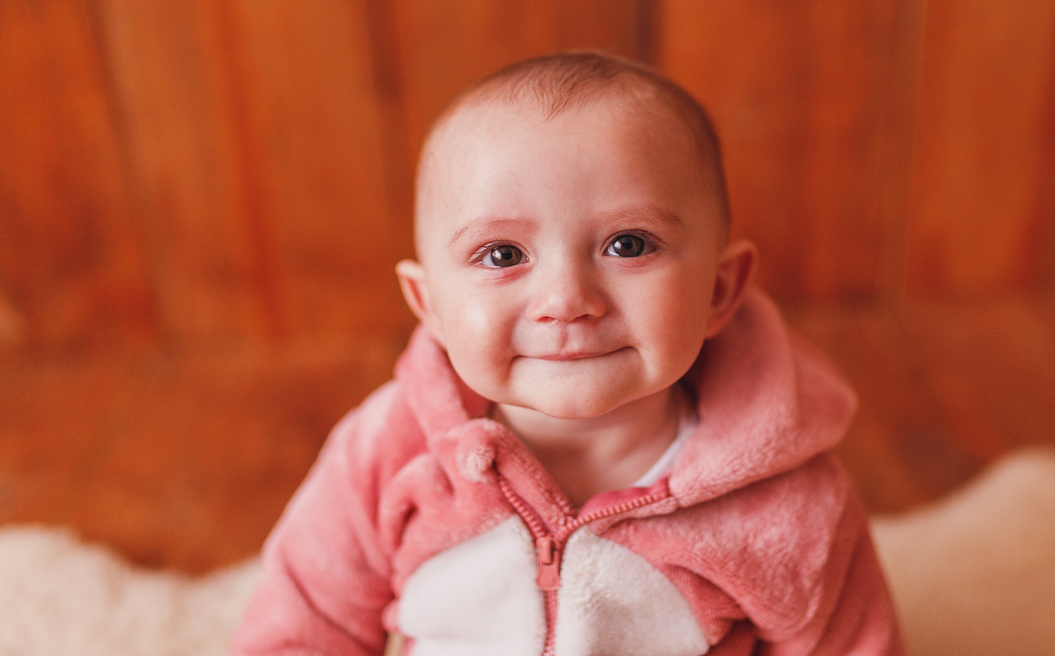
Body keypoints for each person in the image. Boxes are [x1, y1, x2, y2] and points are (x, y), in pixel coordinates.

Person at [230, 52, 903, 656]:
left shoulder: (789, 502)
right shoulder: (386, 453)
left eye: (628, 245)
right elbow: (304, 625)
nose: (566, 300)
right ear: (429, 304)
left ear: (719, 291)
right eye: (502, 255)